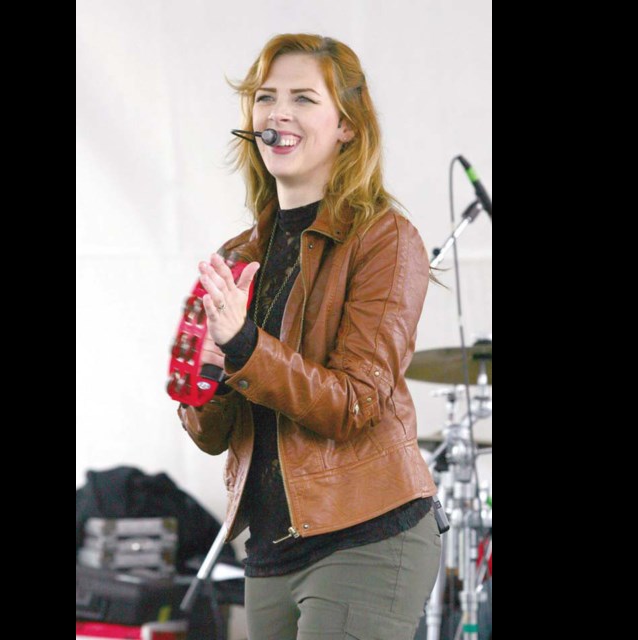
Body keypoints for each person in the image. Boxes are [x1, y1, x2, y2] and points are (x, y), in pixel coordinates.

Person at [178, 33, 440, 639]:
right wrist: (210, 373)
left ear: (347, 125)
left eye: (303, 97)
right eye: (266, 98)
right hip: (269, 552)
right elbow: (210, 437)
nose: (278, 113)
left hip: (366, 538)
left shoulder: (385, 238)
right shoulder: (236, 256)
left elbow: (354, 404)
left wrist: (244, 345)